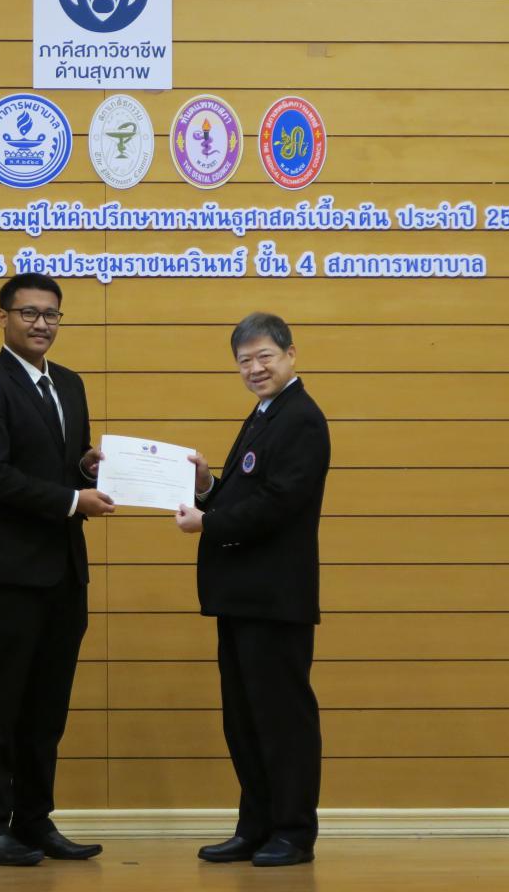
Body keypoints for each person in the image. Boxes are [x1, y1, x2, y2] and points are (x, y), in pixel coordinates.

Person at [0, 272, 114, 866]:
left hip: (65, 571)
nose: (41, 323)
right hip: (11, 574)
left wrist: (88, 470)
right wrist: (74, 499)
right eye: (29, 313)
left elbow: (60, 467)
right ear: (3, 318)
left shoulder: (69, 384)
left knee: (48, 707)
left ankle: (33, 821)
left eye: (51, 314)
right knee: (1, 702)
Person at [175, 311, 329, 867]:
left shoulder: (301, 418)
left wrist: (208, 522)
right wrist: (207, 487)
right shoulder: (267, 414)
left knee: (281, 719)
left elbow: (279, 503)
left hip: (274, 599)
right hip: (243, 597)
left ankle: (292, 831)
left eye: (265, 356)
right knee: (244, 719)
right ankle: (256, 825)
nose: (255, 368)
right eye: (244, 361)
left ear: (291, 354)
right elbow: (248, 491)